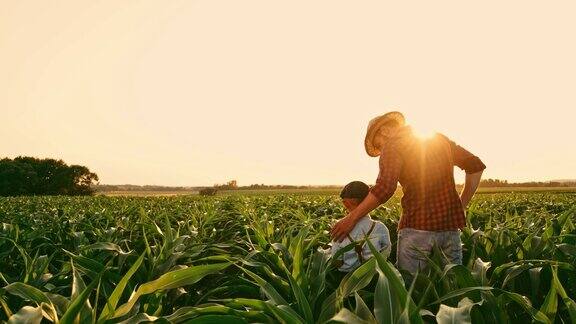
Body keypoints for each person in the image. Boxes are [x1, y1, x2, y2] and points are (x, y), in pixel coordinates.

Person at [330, 112, 485, 275]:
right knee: (452, 285)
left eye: (379, 145)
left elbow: (385, 188)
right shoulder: (439, 139)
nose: (382, 149)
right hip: (450, 230)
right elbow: (475, 166)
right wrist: (461, 205)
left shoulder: (393, 145)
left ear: (383, 130)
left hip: (417, 229)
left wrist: (351, 219)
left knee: (410, 289)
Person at [329, 181, 391, 272]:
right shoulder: (380, 227)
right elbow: (386, 252)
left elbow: (336, 259)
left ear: (345, 203)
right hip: (374, 275)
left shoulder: (339, 228)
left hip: (346, 279)